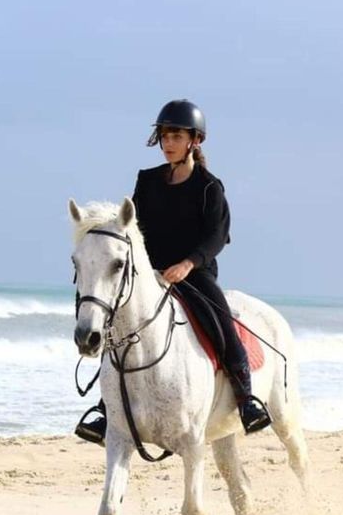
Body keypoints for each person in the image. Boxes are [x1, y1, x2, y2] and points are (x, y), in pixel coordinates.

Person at [75, 99, 273, 444]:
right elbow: (135, 230)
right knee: (118, 323)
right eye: (165, 136)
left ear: (194, 140)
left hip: (194, 274)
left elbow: (217, 236)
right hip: (150, 273)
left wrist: (188, 264)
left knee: (221, 323)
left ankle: (246, 400)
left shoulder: (210, 186)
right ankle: (108, 410)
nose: (168, 143)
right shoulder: (148, 181)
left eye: (176, 136)